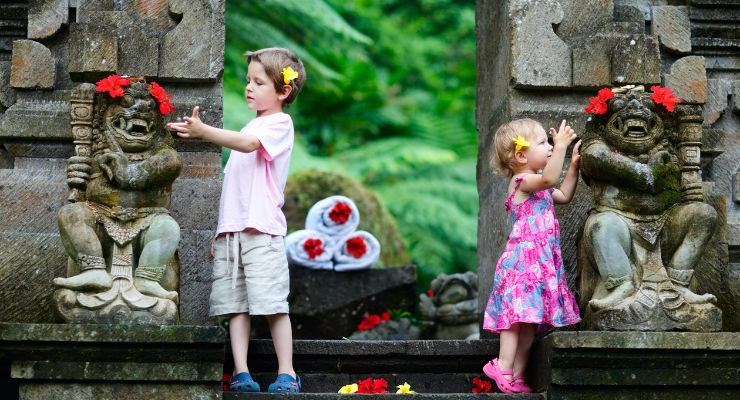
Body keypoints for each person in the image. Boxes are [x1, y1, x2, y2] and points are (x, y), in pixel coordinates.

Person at [167, 47, 306, 393]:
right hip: (233, 233)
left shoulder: (278, 124)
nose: (249, 87)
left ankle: (286, 372)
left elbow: (246, 144)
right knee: (235, 305)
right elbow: (235, 190)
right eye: (248, 81)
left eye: (259, 82)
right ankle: (242, 372)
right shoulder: (252, 123)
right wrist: (221, 232)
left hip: (262, 230)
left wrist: (204, 131)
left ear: (283, 91)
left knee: (272, 303)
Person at [481, 118, 582, 394]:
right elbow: (550, 177)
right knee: (514, 321)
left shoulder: (541, 187)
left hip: (539, 264)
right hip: (522, 265)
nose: (549, 147)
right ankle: (501, 366)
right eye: (543, 143)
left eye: (550, 143)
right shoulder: (522, 180)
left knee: (529, 326)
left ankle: (516, 374)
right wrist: (561, 146)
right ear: (521, 155)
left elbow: (562, 193)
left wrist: (572, 166)